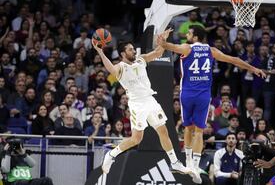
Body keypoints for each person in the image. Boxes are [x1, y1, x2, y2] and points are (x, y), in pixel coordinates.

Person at [157, 26, 265, 184]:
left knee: (188, 127)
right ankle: (194, 166)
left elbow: (165, 45)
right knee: (199, 131)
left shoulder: (187, 48)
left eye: (189, 32)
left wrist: (163, 37)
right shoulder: (211, 50)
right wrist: (253, 68)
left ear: (195, 37)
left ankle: (188, 162)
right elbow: (234, 60)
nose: (187, 34)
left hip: (187, 93)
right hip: (203, 95)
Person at [93, 30, 190, 175]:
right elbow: (111, 69)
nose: (133, 51)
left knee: (163, 131)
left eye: (133, 48)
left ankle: (175, 163)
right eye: (130, 49)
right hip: (137, 105)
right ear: (123, 54)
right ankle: (111, 155)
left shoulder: (141, 60)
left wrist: (163, 40)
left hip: (150, 100)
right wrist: (101, 52)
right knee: (136, 139)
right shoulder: (120, 67)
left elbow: (157, 53)